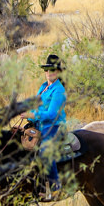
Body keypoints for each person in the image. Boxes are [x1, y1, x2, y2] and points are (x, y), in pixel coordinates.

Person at [20, 54, 67, 198]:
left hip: (54, 126)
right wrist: (29, 113)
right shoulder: (43, 87)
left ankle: (55, 188)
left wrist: (33, 115)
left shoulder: (58, 90)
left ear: (58, 72)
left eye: (53, 69)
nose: (49, 72)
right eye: (47, 70)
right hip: (41, 125)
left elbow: (52, 114)